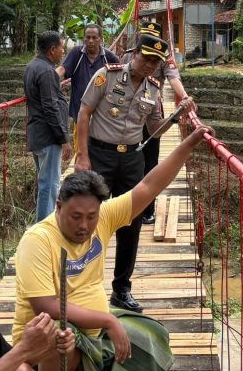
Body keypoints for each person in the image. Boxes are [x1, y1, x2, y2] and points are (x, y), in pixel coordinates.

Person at [12, 124, 212, 371]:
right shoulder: (38, 241)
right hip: (43, 339)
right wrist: (108, 320)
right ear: (58, 207)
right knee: (58, 333)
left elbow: (149, 186)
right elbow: (45, 305)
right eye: (75, 216)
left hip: (94, 328)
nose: (84, 225)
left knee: (151, 336)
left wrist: (188, 144)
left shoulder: (103, 217)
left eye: (91, 216)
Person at [74, 34, 195, 312]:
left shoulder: (153, 89)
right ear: (135, 54)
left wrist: (176, 116)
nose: (150, 66)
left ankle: (121, 289)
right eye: (147, 59)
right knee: (88, 218)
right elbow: (84, 113)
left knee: (131, 223)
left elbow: (154, 131)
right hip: (100, 156)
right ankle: (81, 285)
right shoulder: (107, 76)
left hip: (132, 160)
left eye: (156, 62)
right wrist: (82, 155)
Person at [121, 22, 196, 225]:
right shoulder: (128, 56)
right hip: (128, 114)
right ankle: (124, 208)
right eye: (145, 35)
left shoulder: (163, 58)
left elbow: (173, 78)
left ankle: (147, 211)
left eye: (154, 36)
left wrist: (185, 98)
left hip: (151, 112)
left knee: (150, 162)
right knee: (125, 159)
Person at [24, 30, 72, 222]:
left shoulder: (32, 66)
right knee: (50, 186)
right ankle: (44, 230)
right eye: (61, 48)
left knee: (45, 183)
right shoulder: (46, 71)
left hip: (37, 133)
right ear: (52, 50)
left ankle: (41, 226)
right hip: (48, 136)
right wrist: (64, 139)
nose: (63, 52)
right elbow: (50, 108)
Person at [56, 24, 120, 155]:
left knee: (100, 151)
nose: (91, 41)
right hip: (80, 113)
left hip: (102, 116)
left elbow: (121, 78)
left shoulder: (109, 57)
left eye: (94, 37)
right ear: (84, 38)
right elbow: (62, 69)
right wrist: (48, 78)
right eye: (88, 37)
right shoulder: (76, 54)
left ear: (100, 39)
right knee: (81, 152)